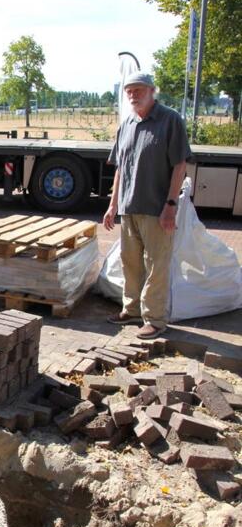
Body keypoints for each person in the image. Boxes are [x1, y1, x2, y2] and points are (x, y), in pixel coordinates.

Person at [103, 71, 191, 339]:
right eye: (130, 90)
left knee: (156, 265)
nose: (133, 94)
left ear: (153, 91)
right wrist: (112, 205)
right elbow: (119, 169)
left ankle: (154, 319)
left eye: (139, 90)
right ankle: (130, 310)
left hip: (157, 209)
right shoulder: (127, 123)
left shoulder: (170, 120)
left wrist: (171, 205)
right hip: (129, 208)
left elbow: (180, 165)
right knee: (130, 261)